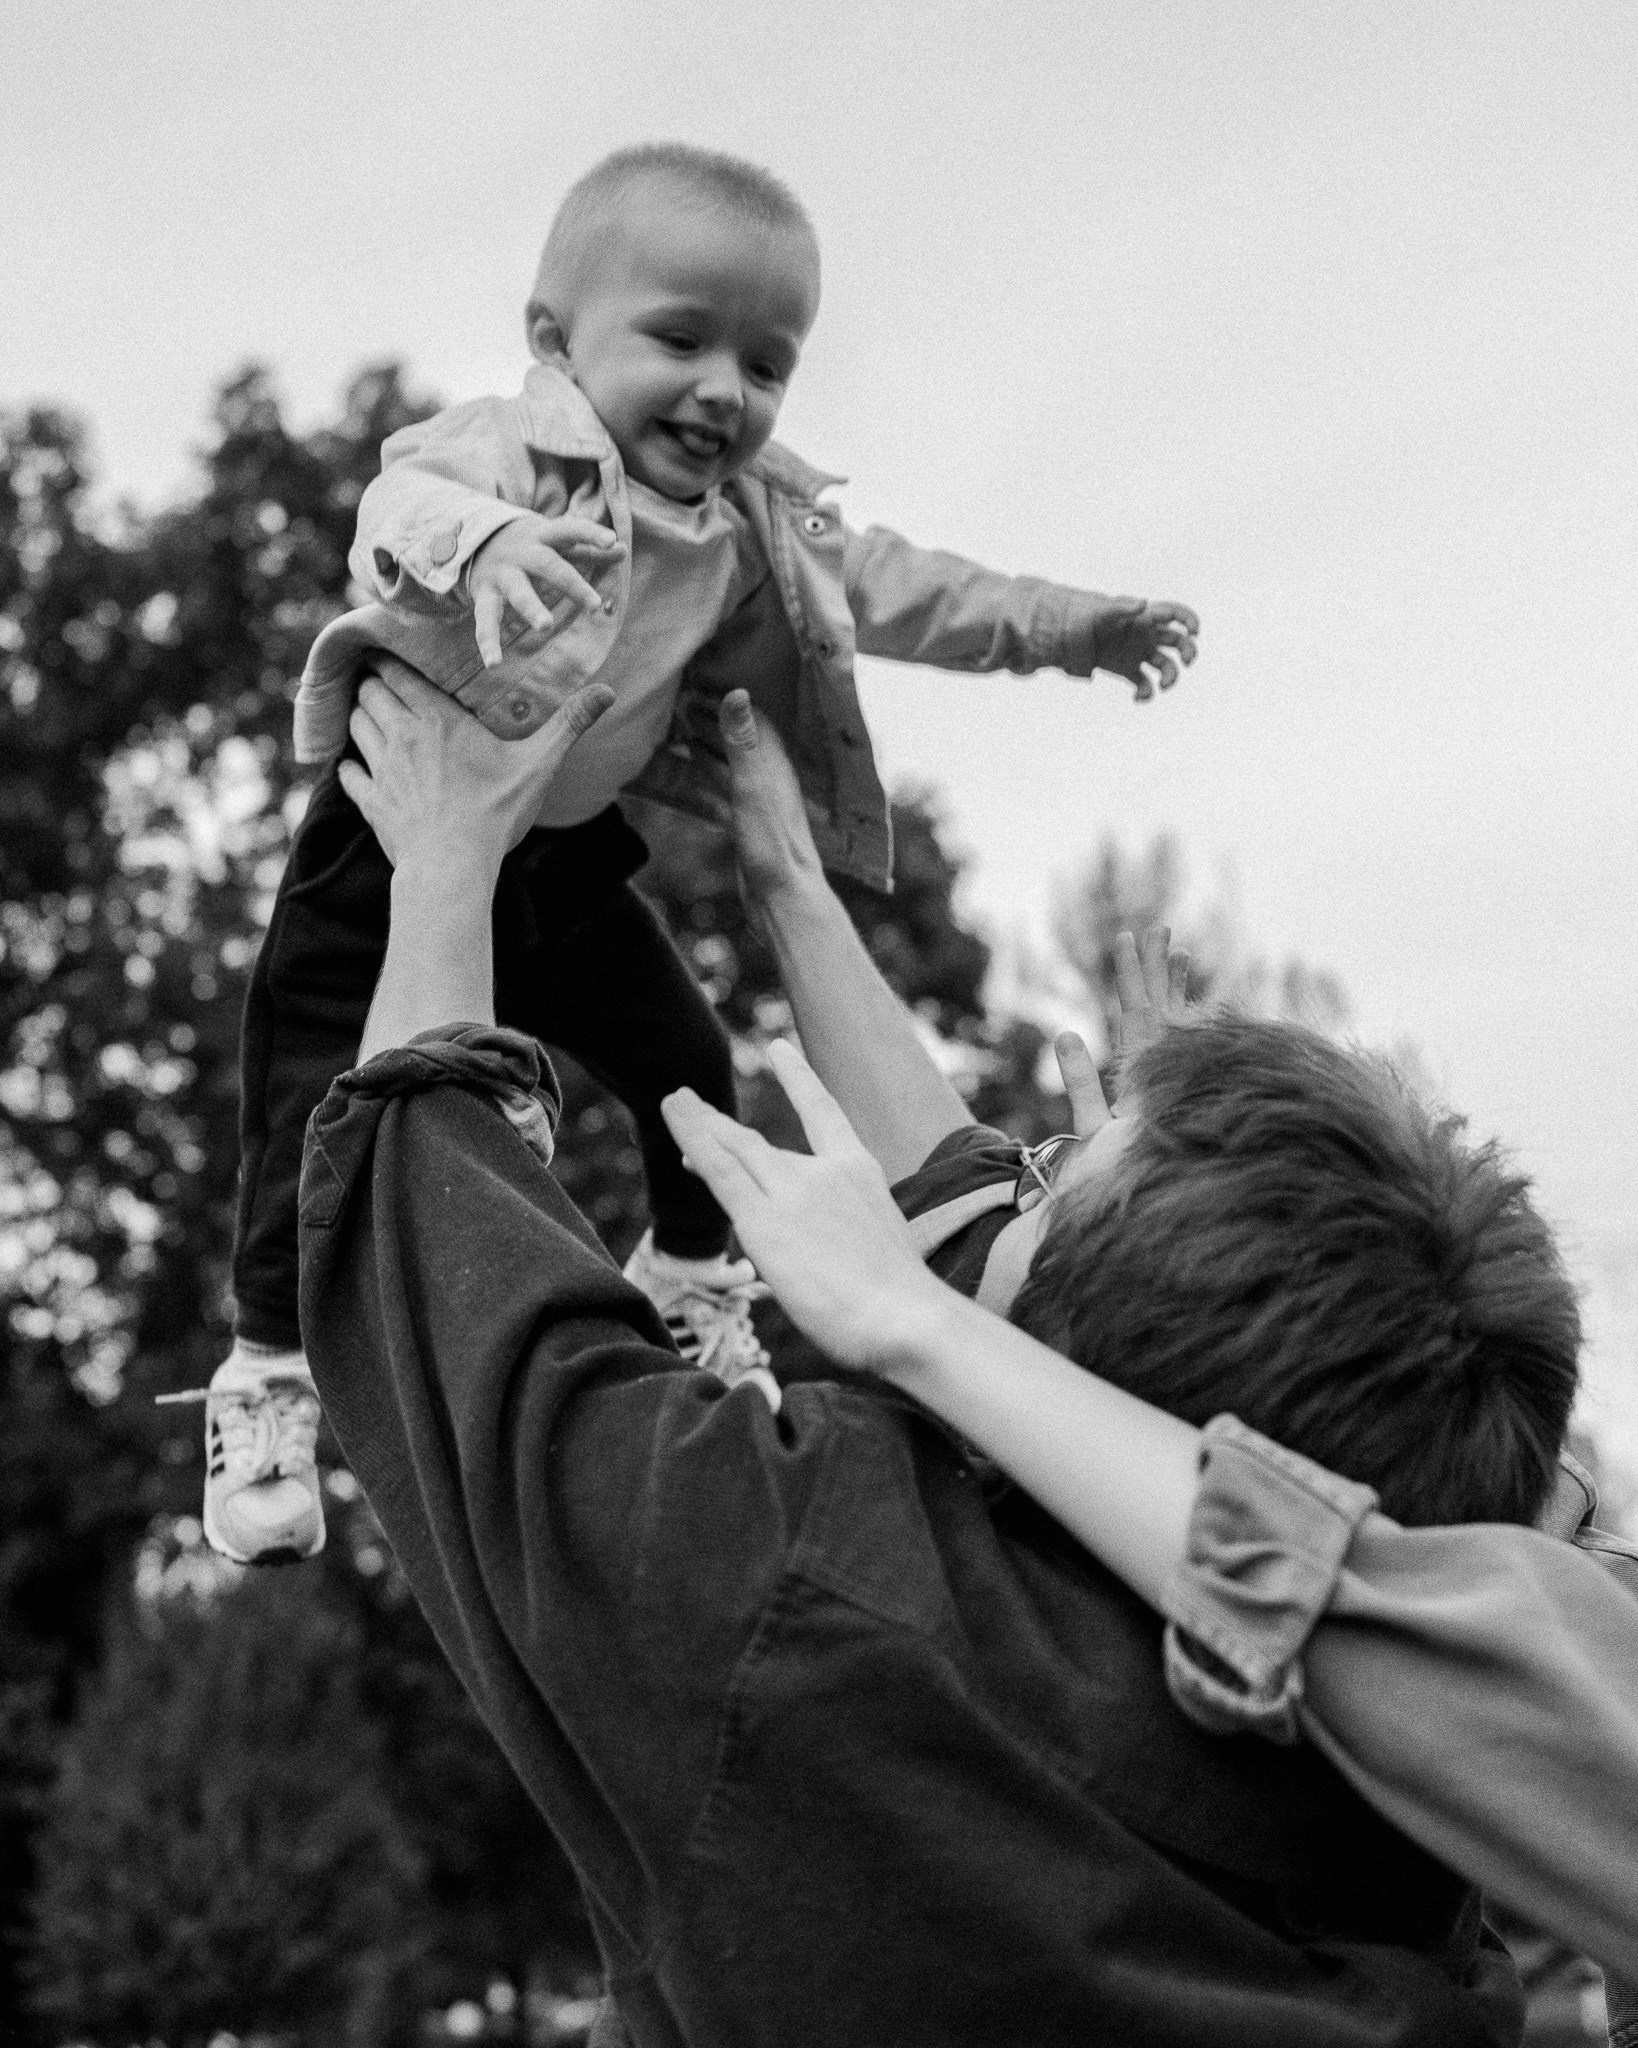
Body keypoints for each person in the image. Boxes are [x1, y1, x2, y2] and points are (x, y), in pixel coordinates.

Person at [299, 661, 1635, 2045]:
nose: (1008, 1168)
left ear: (1068, 1377)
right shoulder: (1462, 1779)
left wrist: (444, 858)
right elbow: (999, 1267)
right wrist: (789, 886)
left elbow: (436, 1244)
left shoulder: (791, 1581)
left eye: (1045, 1182)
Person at [191, 139, 1198, 1567]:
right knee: (307, 1088)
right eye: (680, 341)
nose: (726, 390)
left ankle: (690, 1281)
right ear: (557, 340)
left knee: (684, 1063)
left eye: (766, 363)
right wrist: (486, 546)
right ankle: (268, 1370)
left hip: (562, 858)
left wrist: (1067, 629)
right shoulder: (507, 451)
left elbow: (911, 589)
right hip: (393, 824)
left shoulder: (754, 525)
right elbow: (394, 506)